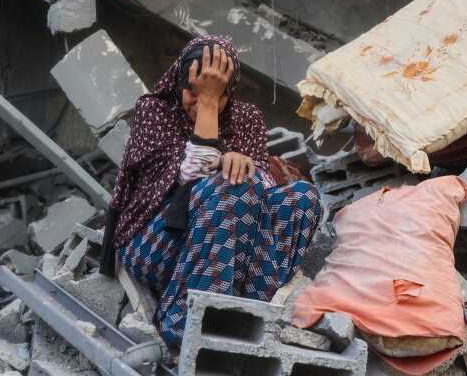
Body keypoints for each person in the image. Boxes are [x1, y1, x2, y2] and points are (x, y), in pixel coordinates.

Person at [102, 36, 322, 345]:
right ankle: (186, 323)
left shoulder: (246, 119)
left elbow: (264, 192)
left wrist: (245, 164)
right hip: (156, 244)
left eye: (216, 95)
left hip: (228, 253)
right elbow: (189, 177)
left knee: (301, 197)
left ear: (229, 94)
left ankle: (250, 312)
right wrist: (208, 107)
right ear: (180, 82)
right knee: (229, 186)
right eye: (193, 91)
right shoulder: (155, 112)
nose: (198, 101)